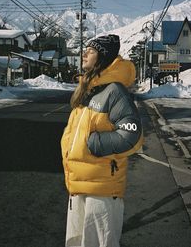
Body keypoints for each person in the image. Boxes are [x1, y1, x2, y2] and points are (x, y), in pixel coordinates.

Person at [61, 34, 143, 247]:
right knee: (77, 242)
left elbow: (131, 134)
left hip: (103, 189)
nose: (84, 53)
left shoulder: (114, 91)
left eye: (91, 50)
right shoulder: (90, 89)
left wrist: (95, 143)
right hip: (79, 183)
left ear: (103, 58)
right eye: (85, 49)